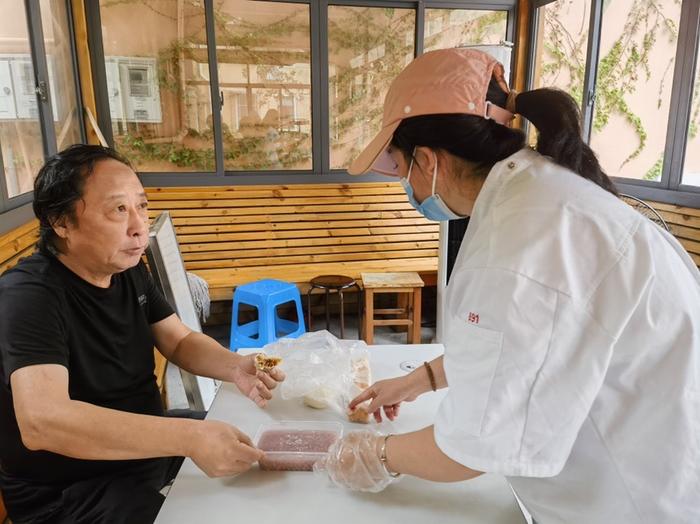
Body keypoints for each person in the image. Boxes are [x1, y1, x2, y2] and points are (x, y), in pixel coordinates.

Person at [316, 48, 700, 523]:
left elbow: (474, 445)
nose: (406, 185)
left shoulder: (518, 245)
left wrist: (377, 455)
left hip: (633, 503)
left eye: (398, 167)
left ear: (430, 160)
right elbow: (530, 350)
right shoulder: (542, 196)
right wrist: (422, 379)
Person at [0, 145, 285, 524]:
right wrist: (187, 437)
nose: (138, 226)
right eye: (119, 209)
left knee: (268, 454)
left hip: (144, 456)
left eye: (141, 206)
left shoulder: (126, 268)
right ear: (61, 222)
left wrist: (236, 367)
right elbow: (43, 422)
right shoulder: (29, 295)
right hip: (71, 493)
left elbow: (179, 340)